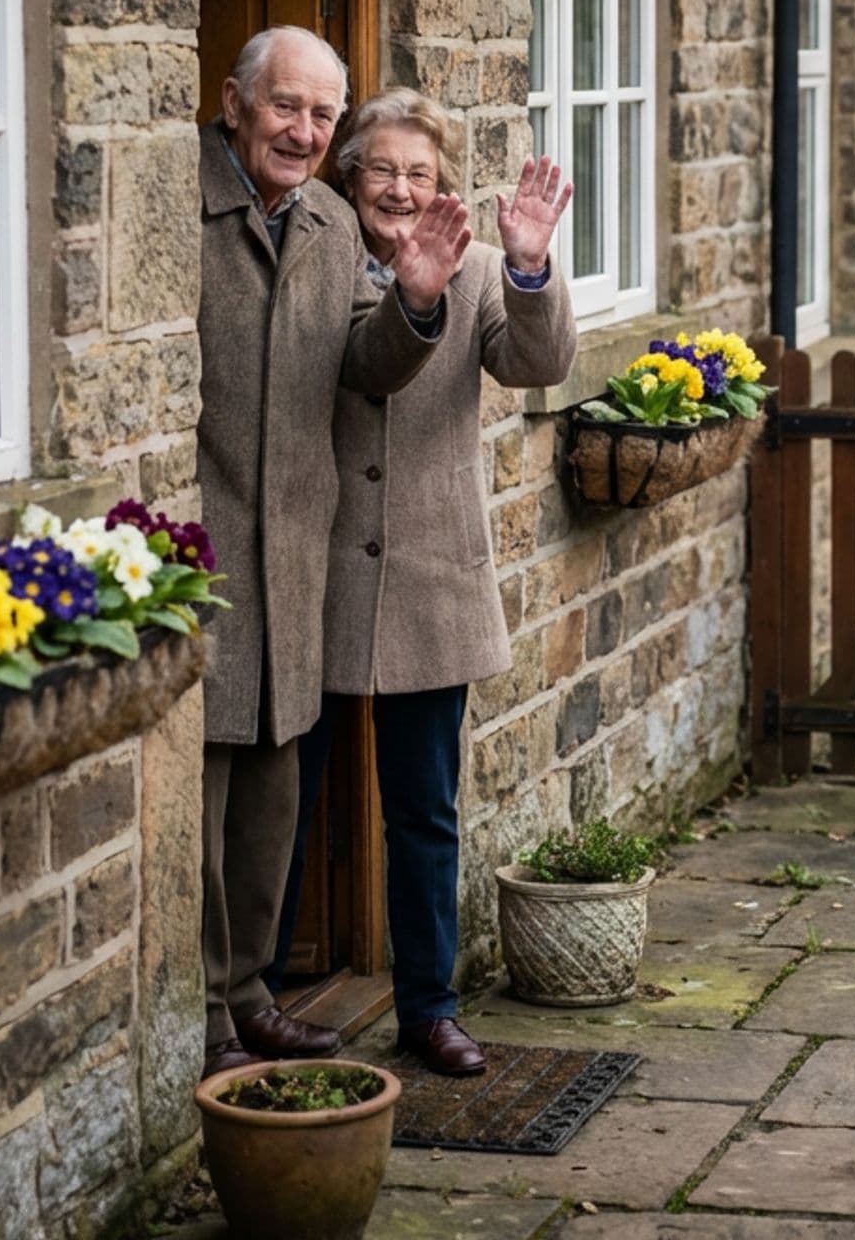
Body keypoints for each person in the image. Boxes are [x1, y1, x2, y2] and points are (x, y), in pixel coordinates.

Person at [271, 90, 577, 1076]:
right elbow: (365, 363)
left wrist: (528, 265)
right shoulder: (307, 263)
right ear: (348, 180)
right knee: (288, 797)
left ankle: (430, 1007)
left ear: (442, 185)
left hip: (433, 576)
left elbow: (537, 363)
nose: (401, 188)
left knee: (425, 809)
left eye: (420, 173)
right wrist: (411, 295)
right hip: (314, 573)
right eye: (382, 171)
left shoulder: (482, 269)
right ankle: (264, 996)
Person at [197, 29, 471, 1081]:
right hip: (202, 549)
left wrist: (415, 299)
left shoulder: (323, 220)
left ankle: (250, 994)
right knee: (207, 798)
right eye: (285, 107)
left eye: (321, 114)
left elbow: (368, 361)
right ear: (236, 104)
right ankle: (208, 1015)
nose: (302, 132)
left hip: (294, 557)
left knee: (273, 788)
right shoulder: (185, 203)